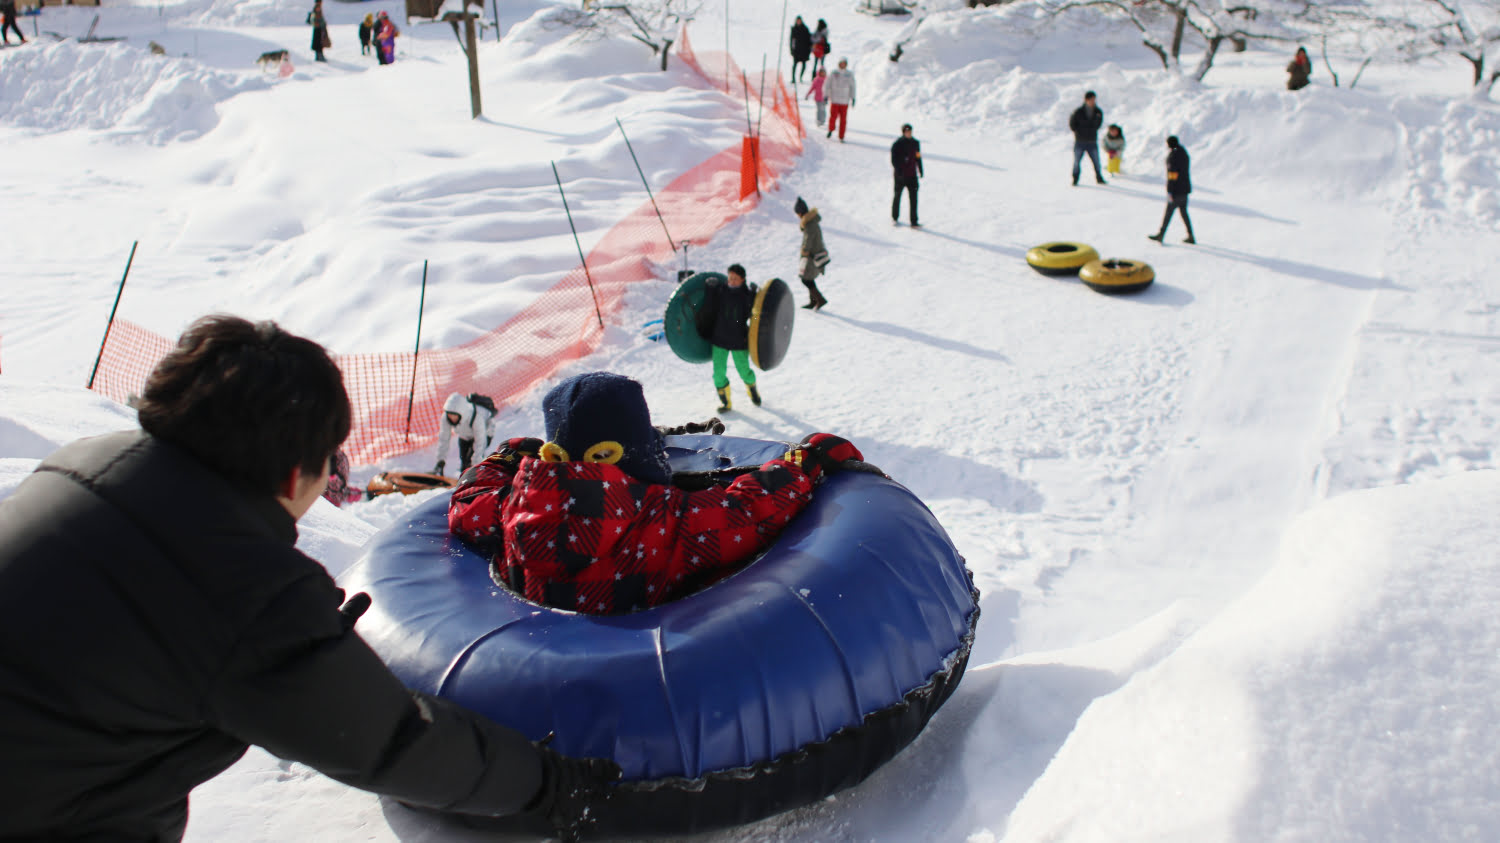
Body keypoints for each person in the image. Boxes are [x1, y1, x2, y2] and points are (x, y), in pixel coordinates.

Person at [0, 315, 621, 842]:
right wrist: (550, 785)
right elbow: (392, 744)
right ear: (295, 469)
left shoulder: (82, 464)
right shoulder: (237, 586)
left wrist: (293, 639)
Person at [449, 372, 863, 614]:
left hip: (540, 657)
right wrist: (805, 463)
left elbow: (466, 500)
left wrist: (505, 456)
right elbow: (750, 509)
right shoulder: (668, 519)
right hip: (641, 668)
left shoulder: (509, 512)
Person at [697, 263, 760, 412]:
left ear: (742, 280)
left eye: (735, 279)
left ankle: (753, 390)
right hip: (720, 339)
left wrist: (755, 294)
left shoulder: (746, 295)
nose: (731, 281)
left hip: (739, 340)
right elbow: (709, 307)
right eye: (730, 278)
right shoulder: (720, 291)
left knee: (745, 371)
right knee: (718, 374)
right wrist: (709, 288)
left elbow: (754, 313)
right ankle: (726, 403)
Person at [434, 391, 496, 476]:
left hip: (486, 432)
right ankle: (464, 477)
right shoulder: (446, 417)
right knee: (464, 462)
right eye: (449, 414)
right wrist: (440, 461)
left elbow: (480, 443)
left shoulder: (476, 417)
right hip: (465, 434)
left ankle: (477, 477)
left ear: (461, 413)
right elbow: (444, 439)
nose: (451, 417)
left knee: (472, 462)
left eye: (454, 415)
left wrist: (475, 467)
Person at [1148, 135, 1195, 244]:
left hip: (1176, 190)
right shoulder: (1183, 152)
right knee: (1184, 213)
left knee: (1168, 212)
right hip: (1185, 189)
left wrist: (1170, 191)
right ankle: (1190, 235)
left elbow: (1172, 175)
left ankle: (1161, 234)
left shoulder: (1173, 156)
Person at [794, 196, 830, 310]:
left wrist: (804, 250)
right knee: (809, 278)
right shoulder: (812, 221)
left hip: (811, 255)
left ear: (800, 213)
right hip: (815, 253)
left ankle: (820, 299)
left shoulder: (809, 224)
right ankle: (813, 301)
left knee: (806, 279)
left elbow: (808, 240)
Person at [1068, 90, 1106, 186]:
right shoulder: (1078, 112)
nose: (1093, 101)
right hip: (1080, 141)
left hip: (1092, 141)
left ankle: (1099, 177)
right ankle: (1075, 179)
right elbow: (1072, 124)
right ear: (1086, 100)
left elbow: (1099, 124)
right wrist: (1079, 132)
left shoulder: (1098, 112)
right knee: (1077, 161)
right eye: (1091, 99)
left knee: (1096, 161)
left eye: (1094, 99)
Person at [891, 122, 923, 227]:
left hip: (912, 176)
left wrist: (920, 169)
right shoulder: (897, 144)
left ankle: (914, 221)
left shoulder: (915, 143)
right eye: (907, 131)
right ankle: (895, 217)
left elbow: (918, 157)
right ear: (903, 132)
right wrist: (899, 170)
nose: (909, 133)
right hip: (900, 176)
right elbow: (894, 160)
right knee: (897, 196)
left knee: (914, 199)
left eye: (910, 131)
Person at [826, 58, 856, 142]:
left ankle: (841, 136)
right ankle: (831, 129)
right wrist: (826, 95)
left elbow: (853, 87)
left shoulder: (849, 74)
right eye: (841, 63)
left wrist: (853, 98)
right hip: (835, 99)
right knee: (833, 117)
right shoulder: (834, 73)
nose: (842, 65)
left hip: (844, 100)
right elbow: (827, 84)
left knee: (843, 119)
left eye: (844, 63)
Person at [789, 15, 812, 83]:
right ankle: (793, 78)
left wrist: (809, 49)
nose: (798, 22)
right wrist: (792, 49)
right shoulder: (794, 29)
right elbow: (792, 40)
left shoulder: (805, 28)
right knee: (795, 65)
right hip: (797, 50)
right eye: (797, 21)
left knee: (804, 65)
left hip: (804, 50)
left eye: (799, 20)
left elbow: (809, 39)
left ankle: (800, 77)